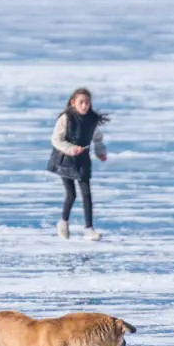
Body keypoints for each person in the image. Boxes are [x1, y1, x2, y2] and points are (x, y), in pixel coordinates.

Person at [46, 87, 108, 240]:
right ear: (73, 103)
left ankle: (89, 229)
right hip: (65, 160)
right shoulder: (66, 118)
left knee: (87, 194)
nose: (85, 105)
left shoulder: (91, 120)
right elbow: (56, 139)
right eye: (81, 102)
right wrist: (70, 149)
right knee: (71, 194)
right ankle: (63, 223)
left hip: (83, 159)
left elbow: (97, 137)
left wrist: (100, 151)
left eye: (87, 102)